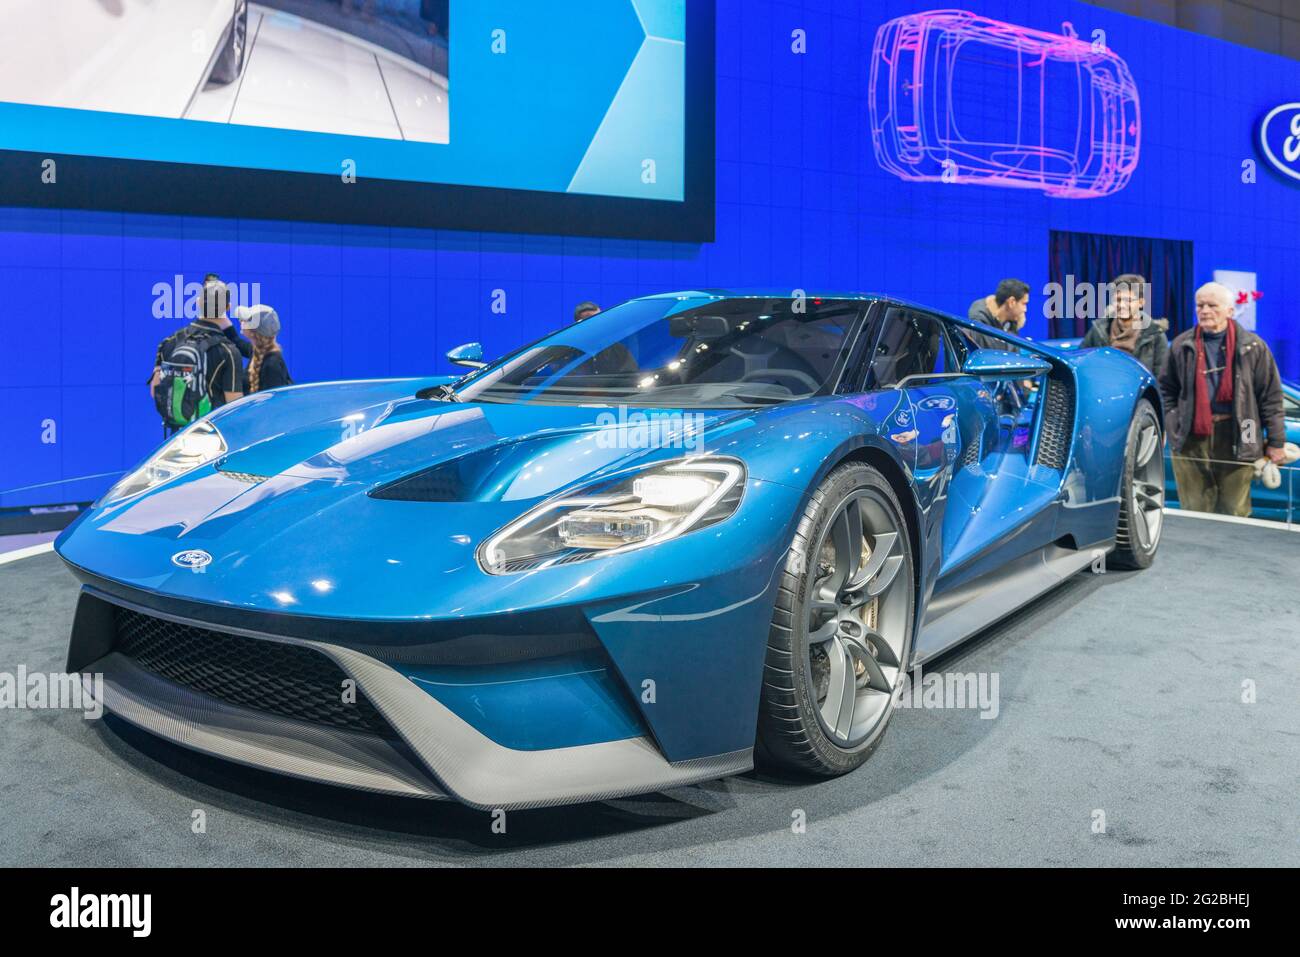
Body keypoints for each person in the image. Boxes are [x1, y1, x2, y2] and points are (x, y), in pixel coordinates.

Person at [1158, 281, 1287, 517]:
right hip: (1191, 437)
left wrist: (1276, 442)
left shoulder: (1253, 347)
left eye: (1212, 305)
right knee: (1194, 509)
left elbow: (1271, 397)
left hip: (1241, 431)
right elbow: (1166, 391)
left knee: (1234, 510)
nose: (1204, 310)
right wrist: (1173, 423)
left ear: (1229, 311)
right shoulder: (1181, 345)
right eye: (1200, 305)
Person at [150, 277, 244, 433]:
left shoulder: (169, 342)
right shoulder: (228, 351)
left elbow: (156, 390)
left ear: (198, 303)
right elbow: (235, 408)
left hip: (176, 438)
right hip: (213, 439)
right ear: (227, 308)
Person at [1079, 274, 1169, 374]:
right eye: (1118, 300)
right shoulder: (1099, 329)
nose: (1121, 305)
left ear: (1141, 302)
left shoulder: (1155, 335)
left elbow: (1161, 379)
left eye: (1128, 300)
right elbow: (1081, 361)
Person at [235, 304, 293, 393]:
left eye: (246, 321)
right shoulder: (258, 351)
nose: (241, 322)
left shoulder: (272, 364)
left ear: (253, 332)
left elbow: (274, 404)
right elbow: (235, 341)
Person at [968, 279, 1030, 350]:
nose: (1025, 309)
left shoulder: (1010, 323)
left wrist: (1016, 327)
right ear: (1011, 302)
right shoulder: (979, 321)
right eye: (1024, 304)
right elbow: (994, 352)